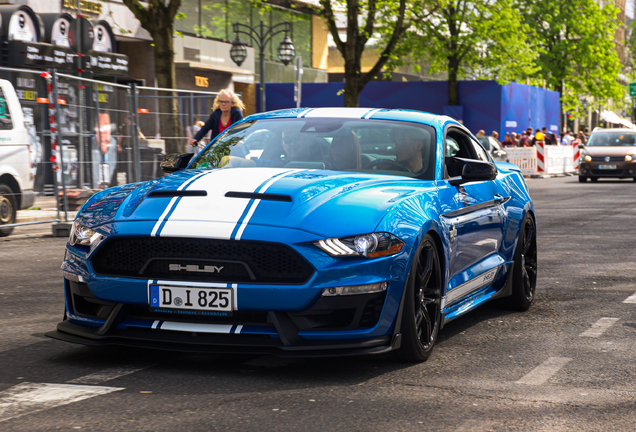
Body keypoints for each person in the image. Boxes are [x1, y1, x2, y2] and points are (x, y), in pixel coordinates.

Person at [92, 112, 118, 189]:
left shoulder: (115, 146)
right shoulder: (89, 145)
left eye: (106, 124)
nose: (102, 129)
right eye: (100, 124)